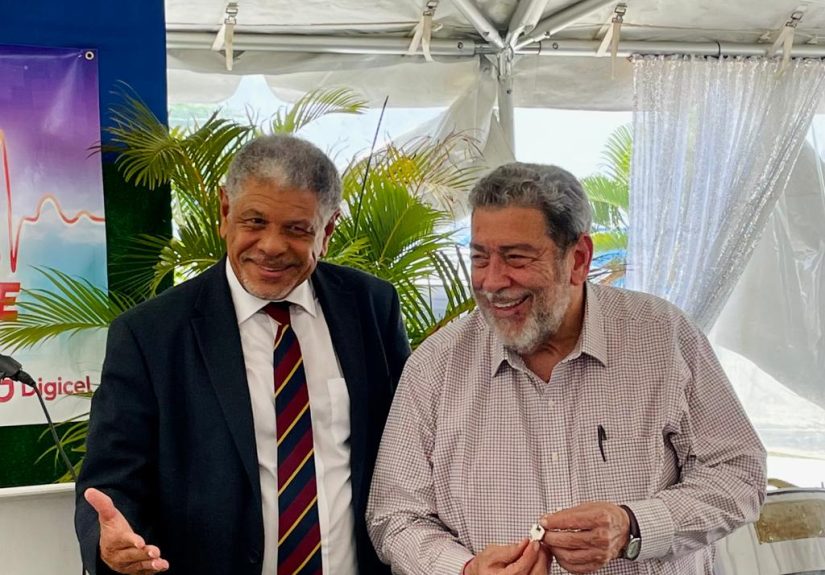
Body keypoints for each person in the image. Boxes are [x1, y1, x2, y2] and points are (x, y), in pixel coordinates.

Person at [366, 162, 767, 575]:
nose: (492, 281)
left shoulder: (662, 337)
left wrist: (633, 526)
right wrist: (464, 570)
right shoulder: (435, 367)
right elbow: (394, 517)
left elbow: (739, 473)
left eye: (516, 257)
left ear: (578, 259)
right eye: (480, 258)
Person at [75, 134, 410, 575]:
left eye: (296, 229)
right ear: (224, 211)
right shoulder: (151, 334)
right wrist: (110, 544)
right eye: (254, 221)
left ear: (327, 231)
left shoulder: (371, 308)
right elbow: (113, 480)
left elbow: (407, 452)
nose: (271, 246)